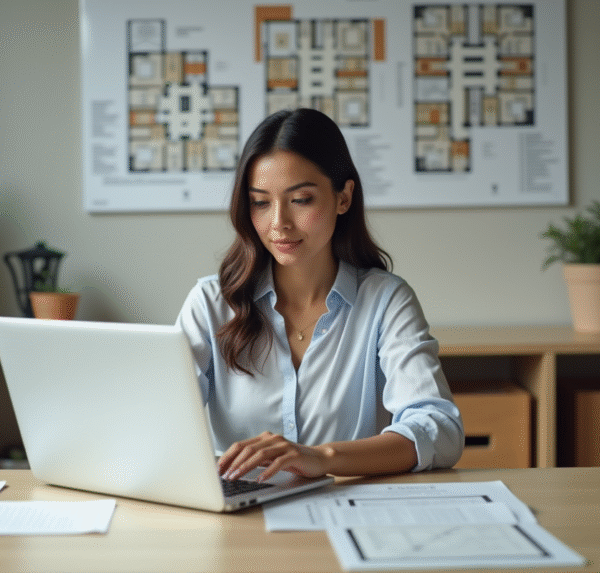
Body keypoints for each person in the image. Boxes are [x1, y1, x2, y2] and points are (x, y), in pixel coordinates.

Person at [176, 108, 463, 483]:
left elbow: (439, 430)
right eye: (261, 202)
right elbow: (161, 423)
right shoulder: (210, 304)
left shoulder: (385, 301)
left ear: (343, 197)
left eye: (301, 199)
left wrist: (321, 457)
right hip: (242, 524)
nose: (279, 222)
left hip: (349, 515)